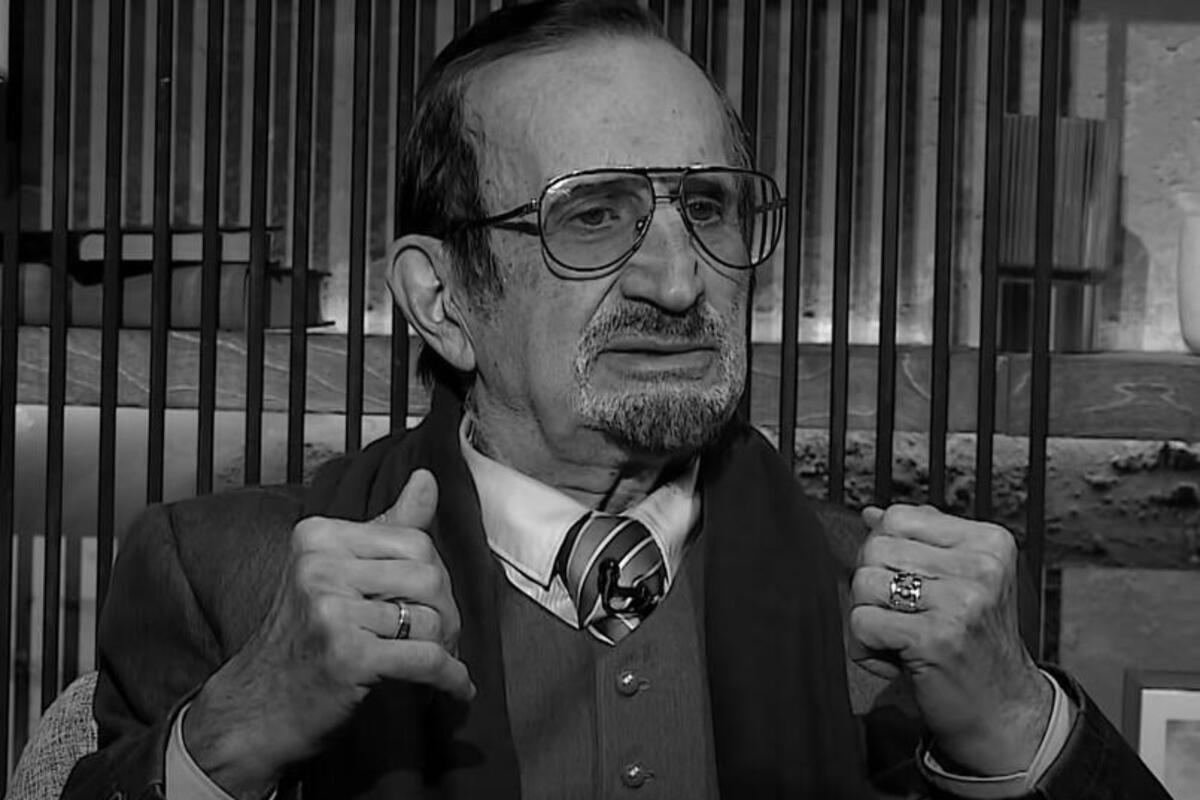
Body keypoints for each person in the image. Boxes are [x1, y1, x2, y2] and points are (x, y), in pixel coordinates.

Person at [64, 2, 1169, 799]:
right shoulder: (226, 575)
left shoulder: (888, 616)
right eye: (592, 216)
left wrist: (1017, 723)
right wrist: (237, 731)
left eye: (709, 208)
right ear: (442, 300)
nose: (678, 281)